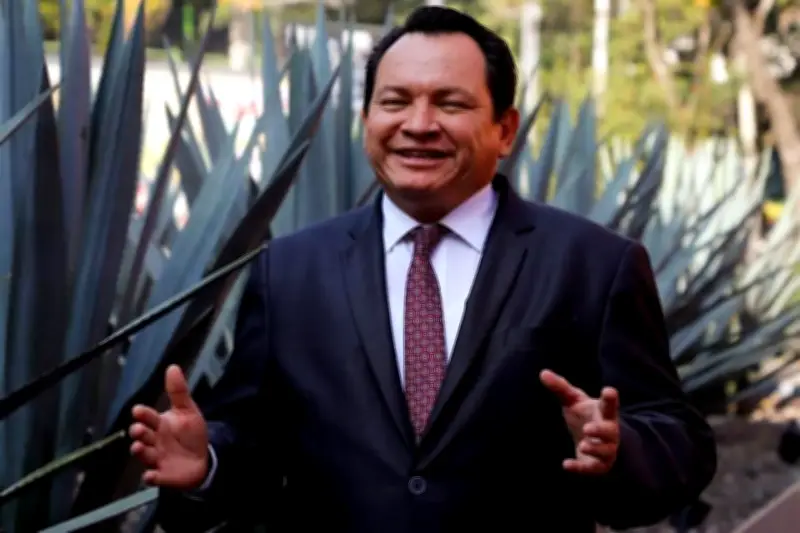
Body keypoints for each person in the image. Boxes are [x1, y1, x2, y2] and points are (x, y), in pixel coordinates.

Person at [128, 6, 717, 532]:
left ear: (505, 130)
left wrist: (621, 449)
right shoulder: (290, 270)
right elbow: (252, 443)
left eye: (450, 103)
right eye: (395, 101)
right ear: (367, 119)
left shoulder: (593, 265)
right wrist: (207, 463)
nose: (418, 123)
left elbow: (679, 439)